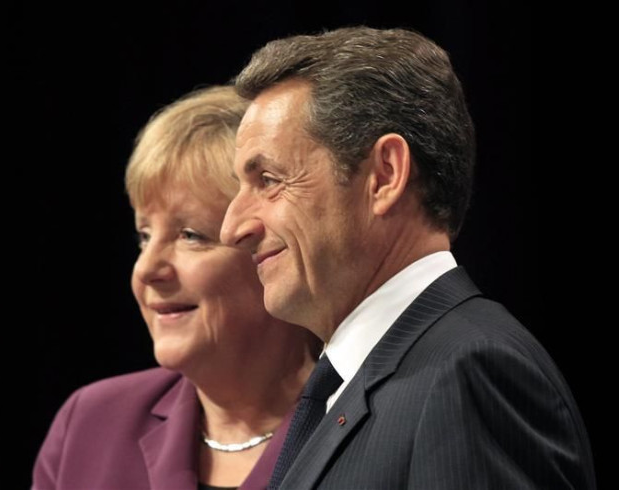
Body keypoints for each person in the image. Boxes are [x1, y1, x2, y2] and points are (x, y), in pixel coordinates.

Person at [220, 27, 596, 489]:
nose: (233, 228)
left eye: (269, 179)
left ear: (385, 175)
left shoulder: (468, 372)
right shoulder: (362, 377)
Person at [32, 85, 320, 490]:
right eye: (144, 236)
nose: (147, 269)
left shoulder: (367, 424)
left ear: (273, 251)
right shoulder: (90, 423)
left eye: (190, 235)